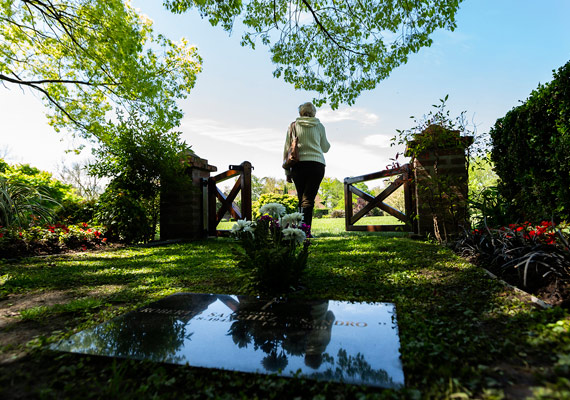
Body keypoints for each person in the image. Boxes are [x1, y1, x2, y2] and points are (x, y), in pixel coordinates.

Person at [283, 102, 330, 233]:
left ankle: (301, 231)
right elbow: (325, 148)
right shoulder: (319, 126)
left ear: (300, 113)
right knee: (308, 199)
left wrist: (287, 171)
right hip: (316, 165)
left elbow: (287, 149)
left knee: (301, 199)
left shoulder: (293, 126)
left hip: (298, 166)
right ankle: (305, 231)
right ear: (314, 113)